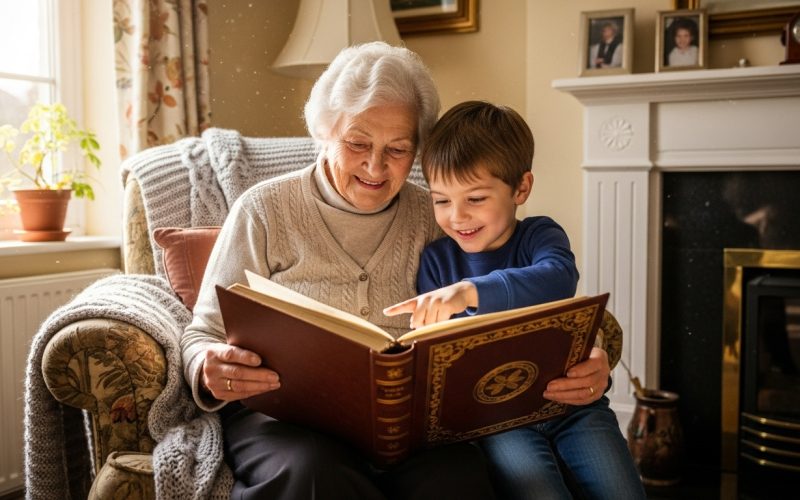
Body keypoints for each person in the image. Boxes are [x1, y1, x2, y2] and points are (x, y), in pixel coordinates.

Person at [181, 42, 498, 499]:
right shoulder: (264, 210)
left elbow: (509, 294)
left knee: (458, 476)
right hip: (286, 420)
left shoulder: (437, 215)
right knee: (312, 473)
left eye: (398, 149)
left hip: (406, 424)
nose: (375, 165)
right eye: (357, 143)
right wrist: (207, 367)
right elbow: (202, 333)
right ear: (325, 133)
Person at [384, 101, 647, 499]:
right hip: (501, 422)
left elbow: (558, 279)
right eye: (441, 200)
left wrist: (472, 291)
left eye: (475, 199)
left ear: (521, 188)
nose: (457, 216)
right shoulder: (438, 263)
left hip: (574, 408)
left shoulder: (541, 236)